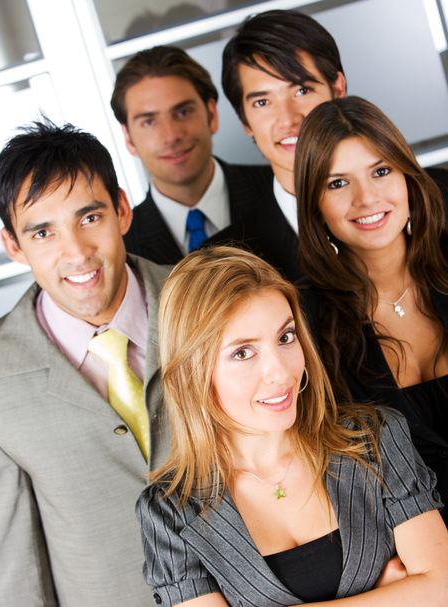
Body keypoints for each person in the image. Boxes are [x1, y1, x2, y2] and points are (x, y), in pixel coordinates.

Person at [137, 245, 447, 607]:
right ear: (194, 371)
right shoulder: (170, 512)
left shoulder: (374, 438)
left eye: (285, 338)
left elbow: (440, 589)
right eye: (243, 352)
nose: (281, 372)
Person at [0, 121, 170, 607]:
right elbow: (16, 566)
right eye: (43, 231)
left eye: (89, 218)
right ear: (14, 245)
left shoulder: (212, 306)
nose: (75, 252)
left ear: (121, 209)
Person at [294, 96, 448, 525]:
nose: (366, 198)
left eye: (381, 171)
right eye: (338, 183)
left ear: (406, 177)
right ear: (315, 205)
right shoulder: (307, 322)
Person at [221, 9, 448, 282]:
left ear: (338, 89)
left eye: (302, 91)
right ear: (245, 122)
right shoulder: (231, 263)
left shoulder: (442, 196)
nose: (289, 120)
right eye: (262, 102)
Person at [110, 45, 274, 265]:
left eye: (183, 112)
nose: (171, 136)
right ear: (128, 137)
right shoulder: (121, 247)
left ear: (212, 114)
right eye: (149, 121)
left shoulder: (282, 189)